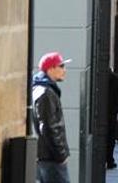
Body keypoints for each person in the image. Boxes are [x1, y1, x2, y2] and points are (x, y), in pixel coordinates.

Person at [32, 52, 72, 183]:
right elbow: (49, 127)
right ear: (50, 69)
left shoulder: (43, 90)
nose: (64, 70)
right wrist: (61, 155)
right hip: (51, 159)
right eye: (61, 66)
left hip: (47, 157)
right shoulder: (45, 93)